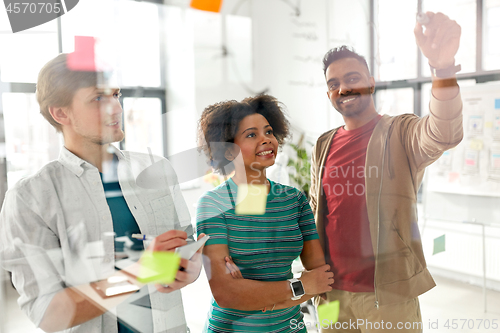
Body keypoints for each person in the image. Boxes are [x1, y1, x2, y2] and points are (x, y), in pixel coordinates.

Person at [0, 53, 203, 333]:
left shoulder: (158, 169)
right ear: (61, 113)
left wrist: (188, 270)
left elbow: (184, 250)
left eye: (116, 95)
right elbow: (49, 313)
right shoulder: (30, 197)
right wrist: (141, 271)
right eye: (98, 98)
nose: (116, 108)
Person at [310, 12, 463, 332]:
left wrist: (443, 70)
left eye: (352, 78)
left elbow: (443, 133)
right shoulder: (323, 144)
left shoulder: (400, 132)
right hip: (331, 297)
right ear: (328, 94)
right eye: (333, 84)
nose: (343, 88)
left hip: (388, 296)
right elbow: (317, 212)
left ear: (370, 83)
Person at [196, 95, 334, 333]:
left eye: (269, 132)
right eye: (252, 135)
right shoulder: (213, 205)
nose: (266, 140)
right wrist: (299, 286)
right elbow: (226, 294)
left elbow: (321, 280)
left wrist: (253, 293)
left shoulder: (294, 200)